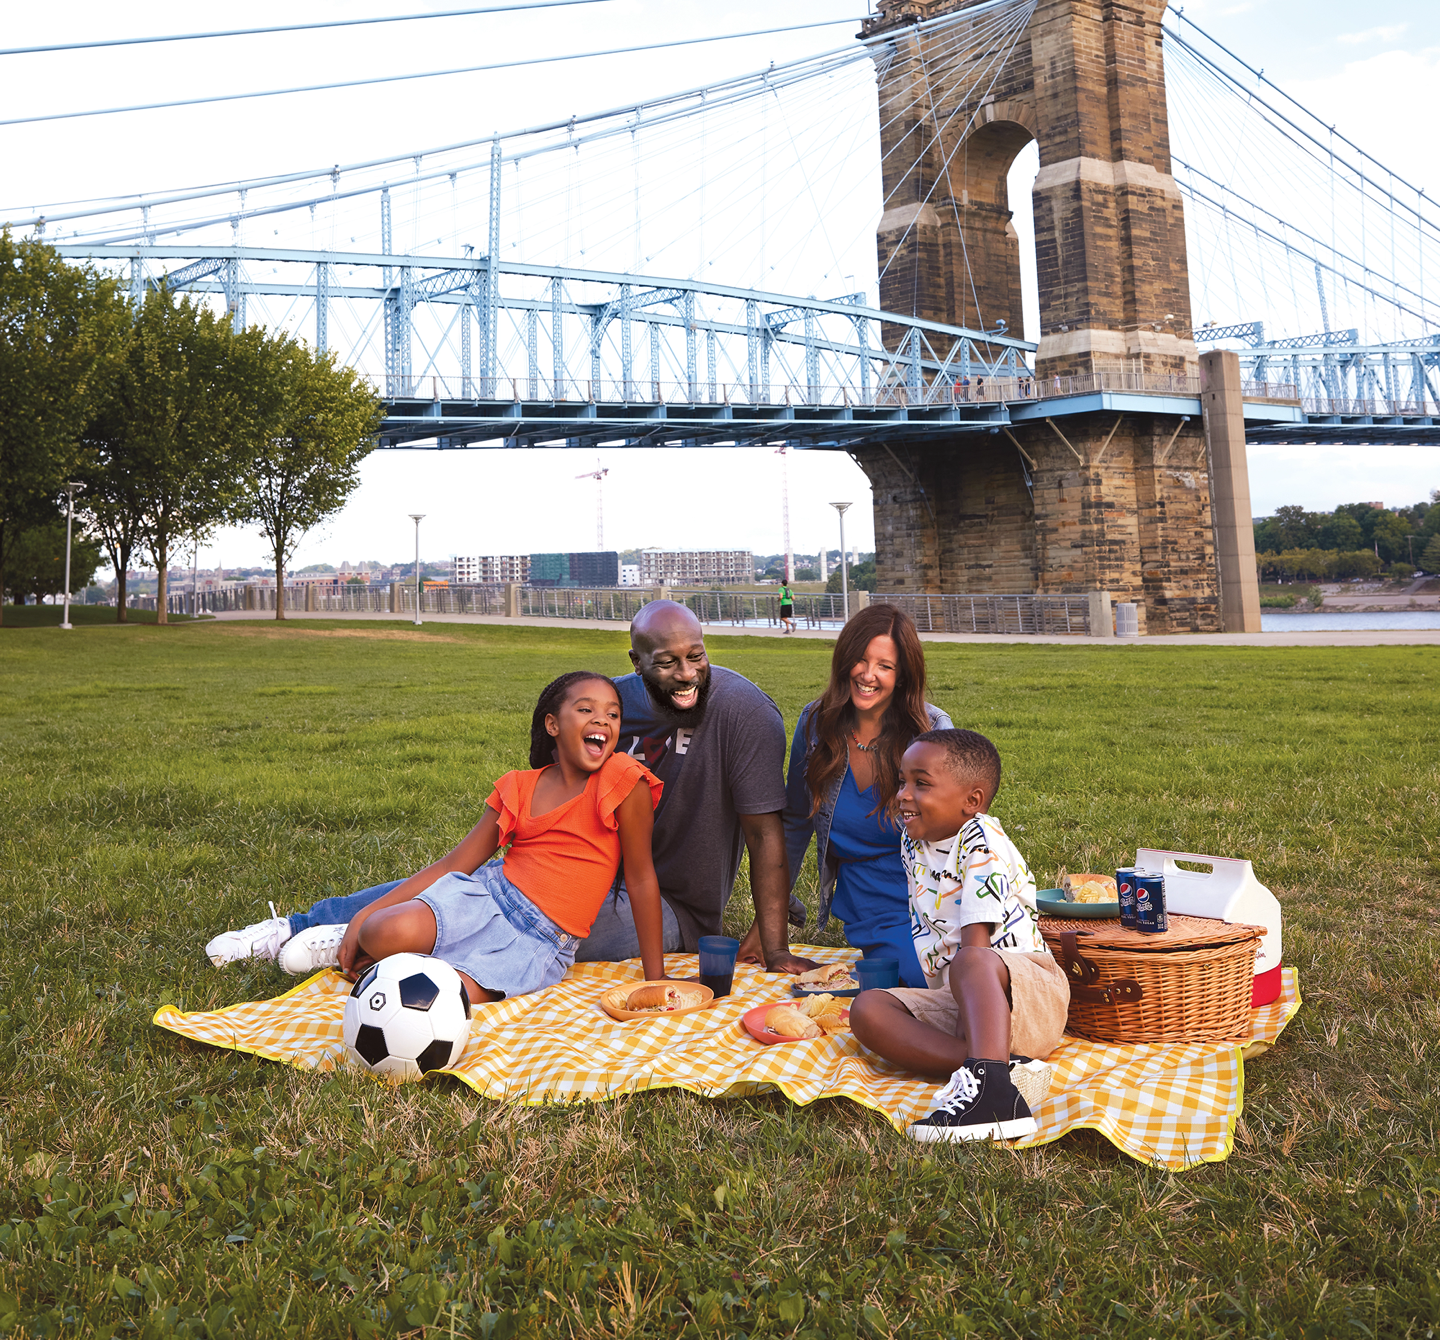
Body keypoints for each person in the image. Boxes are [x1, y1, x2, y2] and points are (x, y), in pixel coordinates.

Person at [206, 601, 815, 976]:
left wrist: (775, 934)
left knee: (520, 920)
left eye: (697, 659)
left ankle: (388, 946)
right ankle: (309, 926)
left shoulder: (742, 713)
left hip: (667, 907)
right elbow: (549, 772)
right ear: (637, 664)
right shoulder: (612, 705)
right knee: (474, 884)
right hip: (568, 870)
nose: (685, 675)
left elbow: (768, 833)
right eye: (667, 663)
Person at [311, 671, 666, 999]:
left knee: (445, 995)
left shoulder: (623, 780)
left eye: (613, 714)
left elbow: (640, 877)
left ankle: (389, 966)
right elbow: (455, 863)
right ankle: (355, 941)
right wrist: (364, 916)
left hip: (538, 941)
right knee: (379, 930)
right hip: (485, 898)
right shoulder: (519, 786)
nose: (602, 719)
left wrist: (656, 979)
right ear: (553, 724)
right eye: (586, 709)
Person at [849, 729, 1069, 1144]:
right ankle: (1005, 1069)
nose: (903, 795)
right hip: (972, 1009)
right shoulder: (914, 842)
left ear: (972, 801)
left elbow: (976, 943)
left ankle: (993, 1100)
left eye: (921, 783)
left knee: (970, 958)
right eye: (902, 781)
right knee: (868, 1008)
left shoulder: (980, 839)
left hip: (1030, 993)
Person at [781, 604, 951, 988]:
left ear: (904, 675)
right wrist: (769, 923)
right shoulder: (814, 724)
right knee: (924, 982)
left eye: (885, 666)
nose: (868, 675)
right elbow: (794, 824)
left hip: (935, 893)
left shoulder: (933, 729)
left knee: (993, 977)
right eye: (859, 659)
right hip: (872, 900)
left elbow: (955, 835)